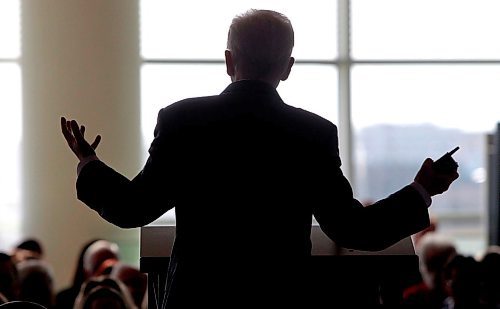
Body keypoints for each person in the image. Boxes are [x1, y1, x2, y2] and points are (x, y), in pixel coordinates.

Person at [60, 9, 459, 308]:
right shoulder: (313, 134)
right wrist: (421, 190)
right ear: (287, 68)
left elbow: (134, 208)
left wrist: (89, 163)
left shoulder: (182, 120)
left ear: (229, 60)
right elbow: (352, 229)